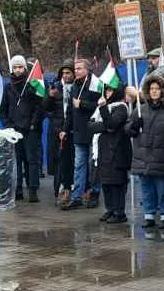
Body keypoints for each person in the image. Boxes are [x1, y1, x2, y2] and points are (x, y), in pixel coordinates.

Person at [126, 75, 164, 237]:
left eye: (157, 89)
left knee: (163, 189)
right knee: (147, 189)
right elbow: (127, 129)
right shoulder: (140, 110)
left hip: (162, 156)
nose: (154, 92)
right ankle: (149, 215)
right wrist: (134, 126)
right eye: (152, 89)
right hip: (143, 157)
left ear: (163, 91)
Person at [0, 55, 43, 203]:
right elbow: (3, 109)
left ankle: (32, 189)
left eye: (20, 67)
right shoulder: (8, 87)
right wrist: (8, 125)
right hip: (14, 130)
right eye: (15, 67)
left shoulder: (32, 84)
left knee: (31, 160)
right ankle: (17, 188)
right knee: (16, 160)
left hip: (30, 129)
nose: (17, 70)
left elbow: (39, 107)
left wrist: (33, 124)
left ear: (25, 68)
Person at [88, 83, 131, 223]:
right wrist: (104, 126)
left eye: (111, 90)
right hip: (103, 149)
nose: (107, 92)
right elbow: (91, 125)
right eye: (106, 89)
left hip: (117, 150)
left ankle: (119, 212)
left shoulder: (121, 107)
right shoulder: (102, 107)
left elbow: (112, 124)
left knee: (116, 182)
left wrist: (103, 110)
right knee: (106, 182)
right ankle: (110, 209)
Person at [62, 59, 101, 210]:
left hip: (93, 131)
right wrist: (65, 128)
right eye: (75, 68)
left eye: (79, 68)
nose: (76, 71)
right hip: (78, 132)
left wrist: (82, 104)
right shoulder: (74, 87)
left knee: (94, 166)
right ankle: (76, 196)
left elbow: (99, 105)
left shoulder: (95, 85)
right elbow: (70, 112)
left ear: (87, 70)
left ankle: (94, 193)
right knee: (79, 165)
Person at [43, 60, 75, 203]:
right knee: (58, 161)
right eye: (63, 73)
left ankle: (71, 189)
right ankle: (58, 191)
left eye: (68, 73)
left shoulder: (78, 87)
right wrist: (49, 97)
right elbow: (45, 108)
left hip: (72, 130)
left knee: (72, 161)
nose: (66, 75)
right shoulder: (55, 86)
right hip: (56, 130)